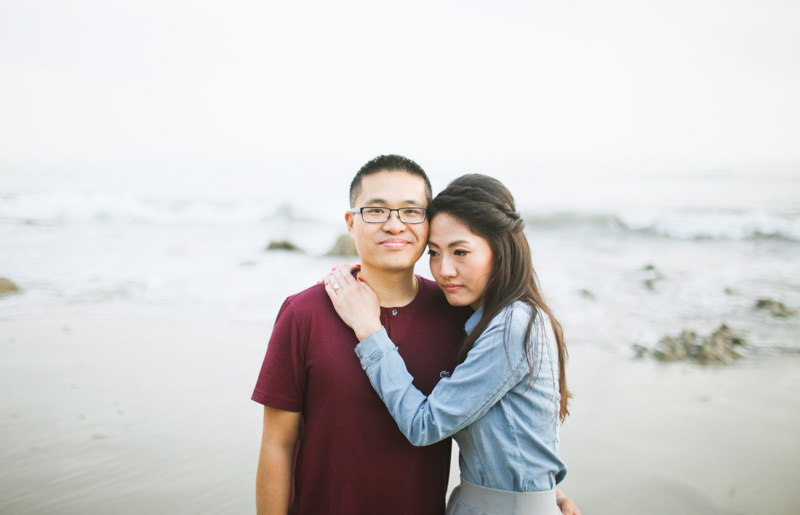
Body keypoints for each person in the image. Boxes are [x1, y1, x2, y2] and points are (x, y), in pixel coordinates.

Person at [253, 155, 579, 514]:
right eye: (376, 211)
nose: (395, 225)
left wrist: (542, 493)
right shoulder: (305, 312)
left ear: (425, 224)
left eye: (411, 211)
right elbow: (277, 445)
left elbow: (506, 415)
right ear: (351, 222)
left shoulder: (460, 318)